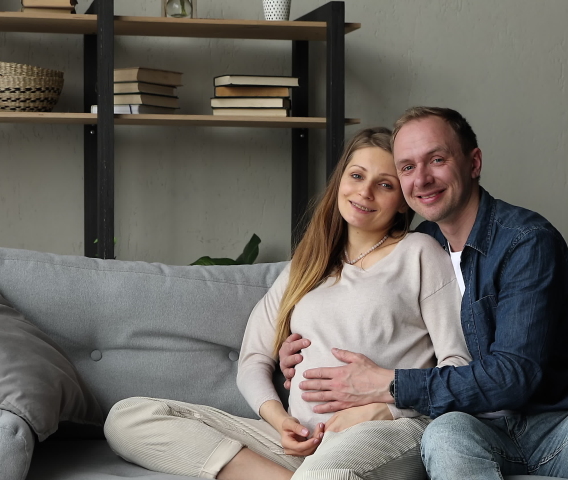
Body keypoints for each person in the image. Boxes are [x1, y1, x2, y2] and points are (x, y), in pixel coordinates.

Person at [279, 107, 568, 480]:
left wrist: (392, 385)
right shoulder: (418, 248)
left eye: (437, 160)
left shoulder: (526, 241)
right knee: (445, 434)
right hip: (474, 429)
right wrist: (301, 351)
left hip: (557, 422)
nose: (422, 179)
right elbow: (378, 324)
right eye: (407, 167)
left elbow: (514, 376)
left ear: (473, 163)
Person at [103, 127, 471, 480]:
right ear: (340, 181)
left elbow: (459, 365)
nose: (365, 192)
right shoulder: (307, 264)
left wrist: (385, 409)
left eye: (385, 184)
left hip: (386, 430)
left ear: (404, 200)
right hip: (303, 444)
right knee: (128, 417)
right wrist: (281, 422)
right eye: (357, 176)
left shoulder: (419, 253)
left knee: (326, 473)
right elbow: (253, 358)